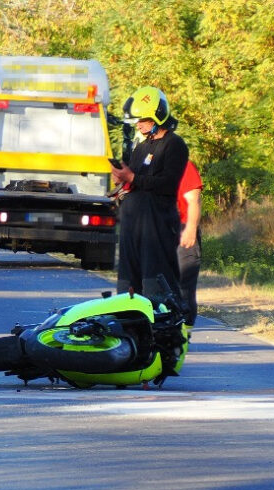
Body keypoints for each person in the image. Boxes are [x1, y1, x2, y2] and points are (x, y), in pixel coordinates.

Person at [110, 86, 187, 303]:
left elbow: (168, 184)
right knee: (128, 280)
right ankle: (129, 323)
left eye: (143, 119)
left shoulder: (174, 144)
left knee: (156, 279)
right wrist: (121, 179)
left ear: (157, 116)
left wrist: (132, 178)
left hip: (156, 225)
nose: (139, 124)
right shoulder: (141, 147)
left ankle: (162, 325)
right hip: (132, 224)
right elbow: (134, 179)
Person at [176, 159, 202, 328]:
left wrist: (191, 229)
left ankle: (185, 331)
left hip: (182, 229)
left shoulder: (183, 165)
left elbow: (194, 199)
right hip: (157, 230)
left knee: (183, 283)